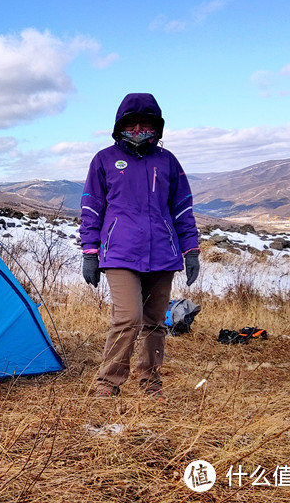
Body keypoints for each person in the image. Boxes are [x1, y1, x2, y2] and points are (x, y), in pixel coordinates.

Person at [80, 93, 200, 400]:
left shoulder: (168, 161)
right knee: (128, 317)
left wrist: (191, 251)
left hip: (163, 253)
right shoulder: (104, 160)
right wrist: (90, 253)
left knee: (155, 322)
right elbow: (92, 208)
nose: (137, 131)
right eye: (131, 125)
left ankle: (150, 382)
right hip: (120, 252)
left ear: (156, 128)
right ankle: (109, 382)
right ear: (120, 126)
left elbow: (182, 209)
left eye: (145, 125)